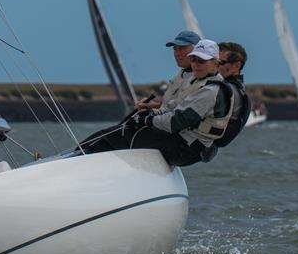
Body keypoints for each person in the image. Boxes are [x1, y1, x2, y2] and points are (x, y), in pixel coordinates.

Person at [81, 39, 232, 166]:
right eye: (193, 59)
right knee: (121, 130)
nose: (196, 64)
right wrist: (150, 113)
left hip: (188, 149)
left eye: (202, 61)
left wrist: (147, 120)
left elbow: (175, 122)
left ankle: (81, 161)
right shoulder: (198, 82)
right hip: (184, 142)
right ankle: (80, 155)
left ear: (216, 64)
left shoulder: (210, 91)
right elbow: (172, 106)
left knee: (127, 134)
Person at [137, 30, 202, 112]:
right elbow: (169, 106)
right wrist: (152, 105)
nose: (177, 53)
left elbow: (183, 112)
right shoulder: (179, 76)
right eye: (175, 49)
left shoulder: (203, 80)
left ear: (196, 50)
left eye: (182, 48)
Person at [214, 42, 252, 146]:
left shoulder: (225, 90)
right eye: (214, 61)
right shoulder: (238, 90)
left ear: (236, 66)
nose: (215, 66)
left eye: (220, 62)